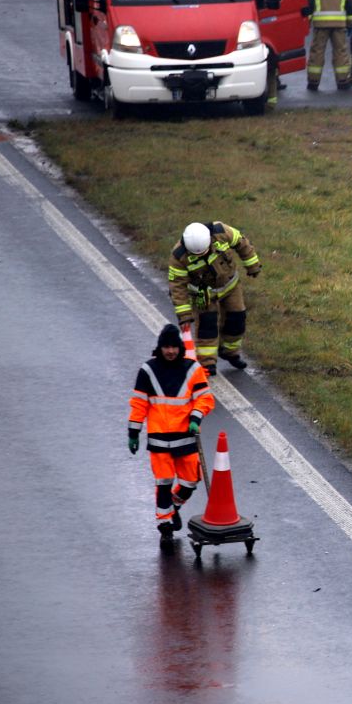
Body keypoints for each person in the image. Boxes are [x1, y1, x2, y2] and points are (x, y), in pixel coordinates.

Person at [129, 324, 215, 540]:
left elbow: (205, 398)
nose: (170, 351)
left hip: (185, 436)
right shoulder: (147, 371)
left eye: (174, 347)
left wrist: (196, 416)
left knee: (189, 482)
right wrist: (133, 431)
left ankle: (173, 508)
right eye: (166, 347)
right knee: (164, 482)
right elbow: (139, 404)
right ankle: (164, 525)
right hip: (159, 439)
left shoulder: (192, 369)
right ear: (160, 347)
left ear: (179, 347)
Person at [168, 221, 262, 376]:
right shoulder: (178, 256)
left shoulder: (221, 232)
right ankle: (207, 363)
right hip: (202, 293)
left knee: (237, 319)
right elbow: (177, 287)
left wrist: (253, 265)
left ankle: (229, 352)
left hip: (230, 286)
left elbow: (242, 243)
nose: (202, 256)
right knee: (207, 325)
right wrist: (184, 316)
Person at [304, 0, 352, 91]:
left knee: (317, 53)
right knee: (341, 52)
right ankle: (342, 81)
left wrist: (307, 22)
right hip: (339, 26)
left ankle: (313, 82)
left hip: (320, 26)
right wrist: (350, 23)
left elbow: (309, 5)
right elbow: (349, 6)